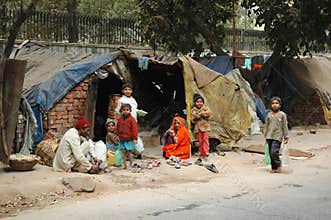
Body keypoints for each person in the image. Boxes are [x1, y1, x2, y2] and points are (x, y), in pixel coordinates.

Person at [265, 96, 289, 173]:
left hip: (277, 136)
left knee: (274, 152)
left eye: (276, 103)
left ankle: (278, 165)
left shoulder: (282, 115)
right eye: (273, 103)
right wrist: (265, 137)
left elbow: (285, 126)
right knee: (270, 153)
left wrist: (286, 136)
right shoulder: (269, 115)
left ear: (280, 105)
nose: (275, 105)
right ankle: (273, 168)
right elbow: (267, 126)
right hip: (269, 136)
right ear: (271, 105)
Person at [116, 104, 138, 169]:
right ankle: (125, 165)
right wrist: (117, 135)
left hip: (129, 139)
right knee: (123, 152)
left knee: (129, 152)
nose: (126, 111)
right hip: (122, 138)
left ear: (130, 110)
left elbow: (134, 129)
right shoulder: (120, 119)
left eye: (127, 110)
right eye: (124, 110)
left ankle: (131, 164)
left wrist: (135, 138)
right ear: (121, 110)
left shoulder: (132, 119)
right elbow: (118, 128)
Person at [190, 93, 212, 159]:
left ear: (203, 102)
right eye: (198, 102)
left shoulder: (205, 108)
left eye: (201, 102)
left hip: (205, 127)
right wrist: (196, 117)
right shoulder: (193, 110)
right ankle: (202, 153)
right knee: (200, 141)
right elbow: (192, 119)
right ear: (195, 103)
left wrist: (202, 113)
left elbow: (209, 114)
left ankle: (206, 151)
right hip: (198, 128)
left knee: (205, 139)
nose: (199, 103)